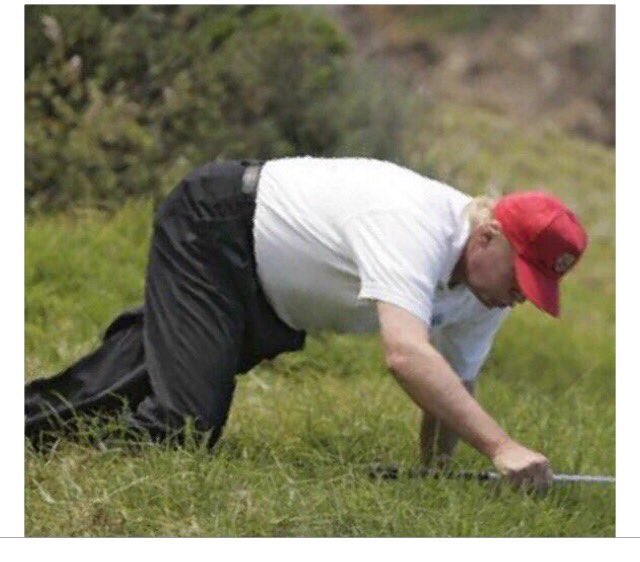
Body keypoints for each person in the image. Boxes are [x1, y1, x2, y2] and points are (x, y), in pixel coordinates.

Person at [25, 157, 587, 492]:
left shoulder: (485, 293)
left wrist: (434, 476)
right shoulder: (414, 223)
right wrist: (501, 447)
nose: (522, 296)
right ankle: (75, 465)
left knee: (132, 381)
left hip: (268, 292)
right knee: (185, 424)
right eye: (522, 277)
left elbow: (455, 384)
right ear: (487, 236)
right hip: (217, 227)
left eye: (537, 287)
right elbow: (406, 355)